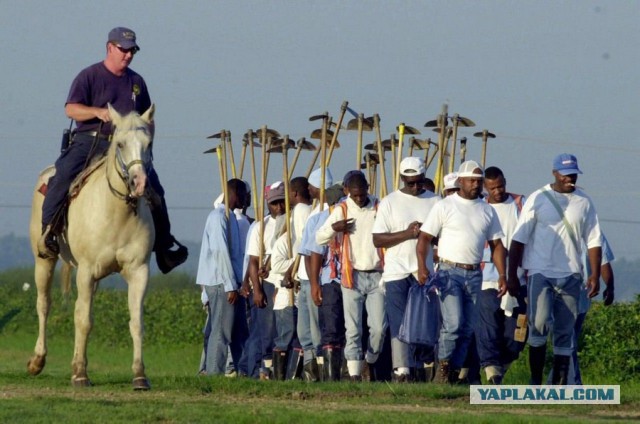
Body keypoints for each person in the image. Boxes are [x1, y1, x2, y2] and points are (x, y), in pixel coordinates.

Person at [37, 27, 187, 273]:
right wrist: (96, 112)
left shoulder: (137, 82)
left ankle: (163, 245)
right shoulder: (89, 76)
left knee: (156, 189)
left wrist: (146, 146)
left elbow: (148, 119)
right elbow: (71, 109)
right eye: (123, 50)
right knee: (62, 176)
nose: (128, 55)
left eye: (132, 51)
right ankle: (49, 233)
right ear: (110, 47)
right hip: (91, 140)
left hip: (128, 147)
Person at [509, 153, 602, 385]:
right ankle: (536, 380)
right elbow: (519, 239)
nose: (570, 179)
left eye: (573, 175)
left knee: (565, 330)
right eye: (565, 174)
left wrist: (595, 274)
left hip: (571, 274)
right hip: (540, 272)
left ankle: (559, 384)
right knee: (538, 324)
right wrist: (511, 275)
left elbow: (594, 240)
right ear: (554, 173)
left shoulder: (585, 201)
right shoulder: (538, 198)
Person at [416, 160, 506, 384]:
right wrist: (422, 266)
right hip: (449, 271)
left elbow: (497, 246)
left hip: (475, 273)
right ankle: (443, 367)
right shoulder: (445, 205)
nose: (476, 184)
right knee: (454, 323)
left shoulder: (487, 210)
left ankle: (454, 371)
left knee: (467, 328)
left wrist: (503, 274)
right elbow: (425, 237)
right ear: (461, 181)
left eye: (478, 181)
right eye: (471, 181)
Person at [372, 157, 439, 382]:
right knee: (399, 321)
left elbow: (442, 236)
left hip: (424, 272)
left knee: (422, 321)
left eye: (419, 182)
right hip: (396, 271)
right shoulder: (389, 202)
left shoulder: (435, 201)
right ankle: (402, 370)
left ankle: (420, 366)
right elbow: (378, 239)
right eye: (410, 183)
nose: (416, 187)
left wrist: (427, 233)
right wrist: (408, 234)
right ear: (402, 179)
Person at [316, 173, 387, 381]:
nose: (359, 199)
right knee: (353, 329)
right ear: (347, 191)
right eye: (355, 195)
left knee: (379, 328)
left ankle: (370, 361)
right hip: (351, 275)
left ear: (368, 187)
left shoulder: (378, 207)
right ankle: (354, 374)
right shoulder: (342, 209)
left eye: (362, 194)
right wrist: (334, 229)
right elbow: (319, 237)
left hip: (376, 275)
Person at [476, 166, 527, 384]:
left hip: (519, 279)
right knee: (489, 327)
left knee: (518, 330)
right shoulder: (480, 208)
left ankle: (503, 366)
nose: (498, 191)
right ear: (485, 188)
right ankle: (491, 371)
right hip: (488, 279)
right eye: (492, 188)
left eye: (500, 186)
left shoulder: (521, 204)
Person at [195, 179, 246, 375]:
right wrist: (230, 285)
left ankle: (243, 371)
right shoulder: (218, 217)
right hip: (220, 282)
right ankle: (213, 374)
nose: (245, 199)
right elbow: (220, 252)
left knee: (239, 331)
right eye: (243, 194)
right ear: (234, 194)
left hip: (231, 282)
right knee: (220, 331)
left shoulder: (231, 217)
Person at [247, 182, 287, 379]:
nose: (278, 208)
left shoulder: (291, 221)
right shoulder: (260, 227)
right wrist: (257, 290)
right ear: (267, 204)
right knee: (268, 330)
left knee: (287, 327)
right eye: (274, 204)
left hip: (288, 281)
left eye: (281, 202)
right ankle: (266, 370)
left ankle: (285, 371)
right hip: (269, 283)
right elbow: (253, 260)